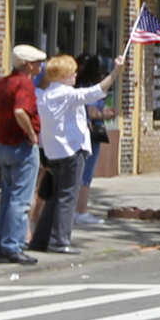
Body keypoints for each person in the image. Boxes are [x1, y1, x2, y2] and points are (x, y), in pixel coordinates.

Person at [0, 45, 46, 266]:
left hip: (4, 145)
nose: (40, 66)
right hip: (21, 146)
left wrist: (0, 125)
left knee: (7, 198)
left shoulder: (4, 82)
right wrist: (30, 133)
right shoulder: (24, 83)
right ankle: (12, 246)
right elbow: (20, 111)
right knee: (21, 200)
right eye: (37, 63)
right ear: (28, 65)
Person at [35, 55, 109, 255]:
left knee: (55, 196)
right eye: (72, 72)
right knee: (68, 196)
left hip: (53, 151)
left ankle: (41, 239)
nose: (75, 75)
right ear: (64, 75)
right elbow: (97, 91)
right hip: (72, 151)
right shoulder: (67, 94)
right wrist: (117, 71)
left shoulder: (42, 95)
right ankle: (60, 240)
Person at [74, 55, 111, 225]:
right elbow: (93, 113)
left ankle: (74, 209)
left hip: (76, 134)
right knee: (86, 174)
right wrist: (107, 114)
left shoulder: (76, 86)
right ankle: (81, 210)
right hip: (90, 134)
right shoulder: (91, 89)